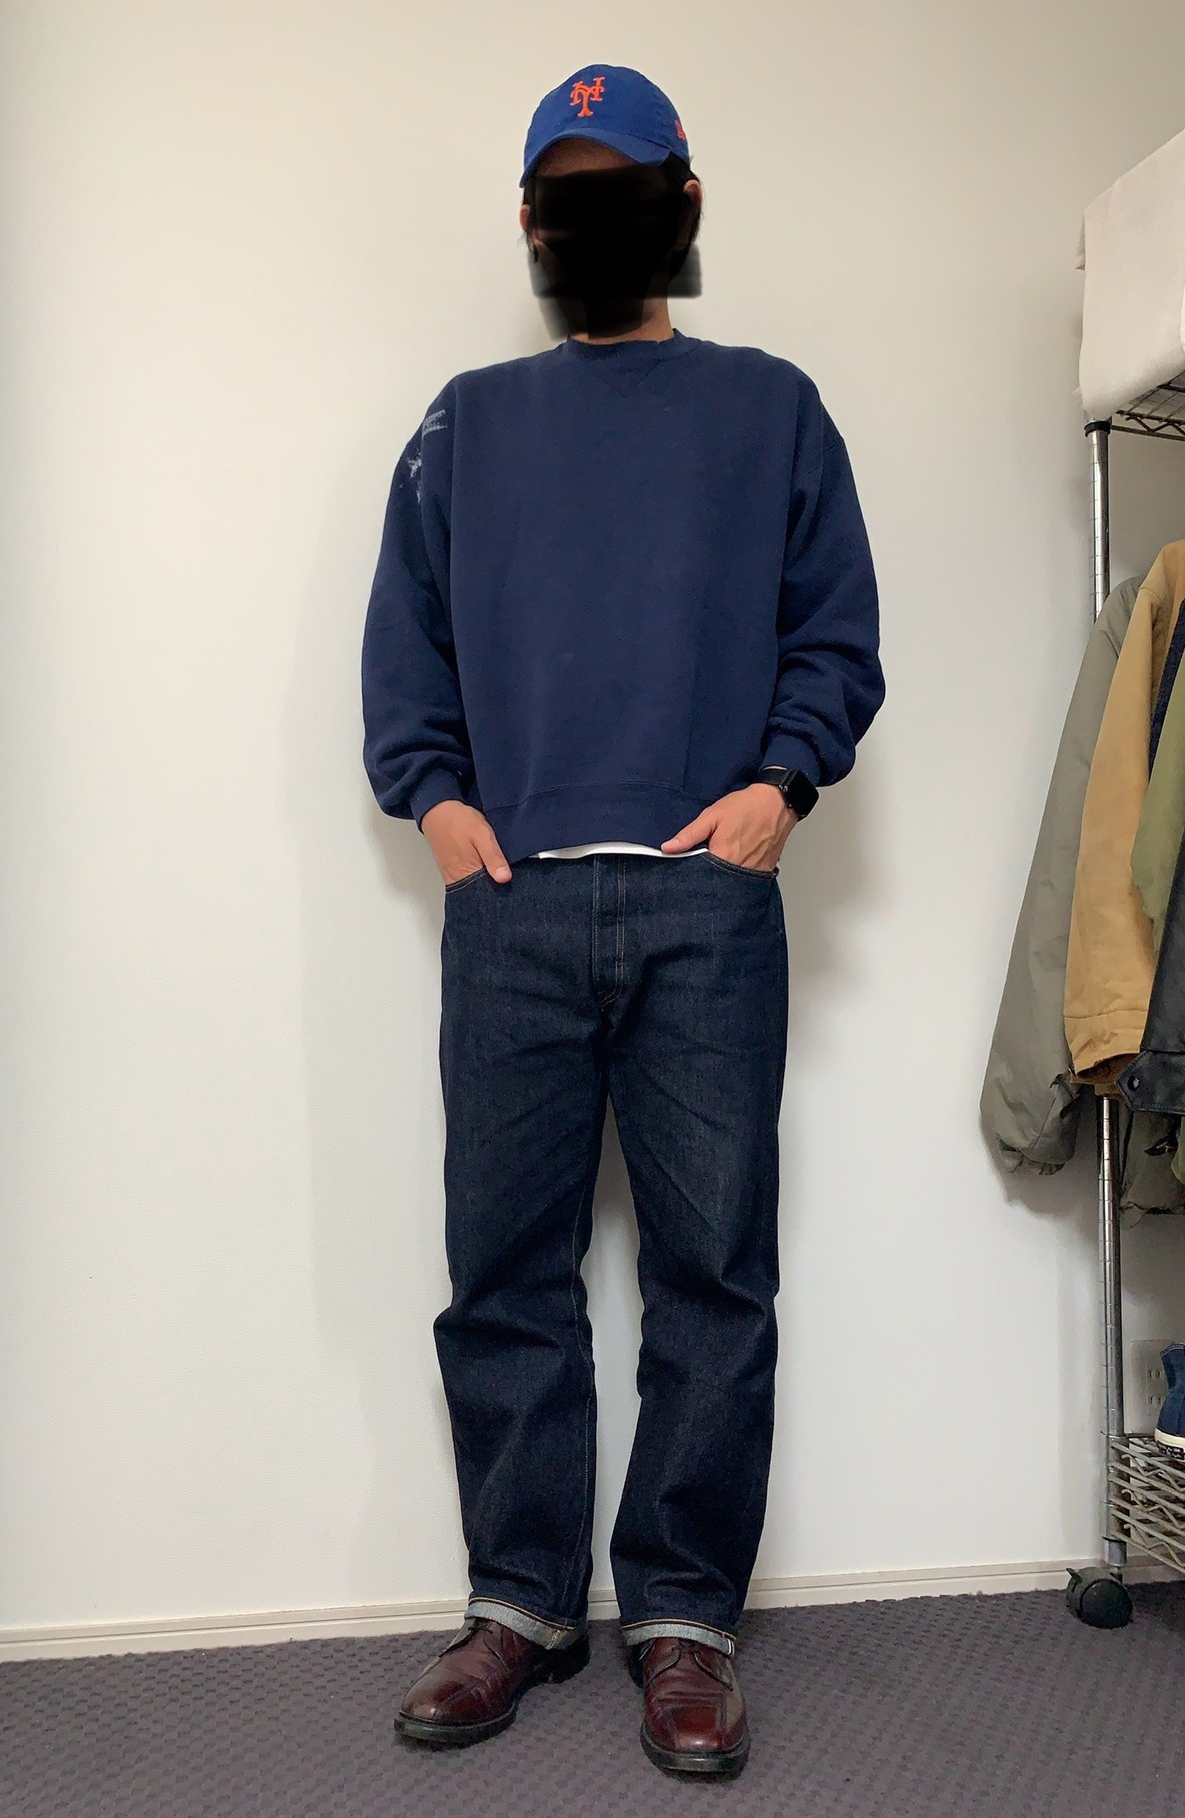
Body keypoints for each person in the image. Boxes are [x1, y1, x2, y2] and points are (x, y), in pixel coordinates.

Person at [360, 62, 884, 1781]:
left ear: (686, 201)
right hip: (510, 905)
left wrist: (779, 788)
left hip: (701, 903)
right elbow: (405, 646)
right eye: (564, 192)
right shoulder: (466, 424)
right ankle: (519, 1600)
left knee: (712, 1270)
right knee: (503, 1267)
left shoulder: (771, 410)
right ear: (531, 224)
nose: (590, 217)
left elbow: (837, 633)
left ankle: (685, 1620)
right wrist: (441, 807)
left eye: (621, 184)